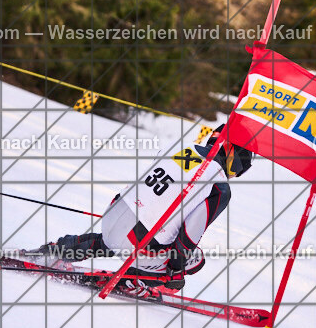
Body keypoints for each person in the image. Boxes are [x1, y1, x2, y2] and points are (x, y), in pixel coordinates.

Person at [28, 126, 253, 296]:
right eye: (237, 167)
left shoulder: (178, 145)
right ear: (229, 152)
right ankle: (134, 281)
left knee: (114, 240)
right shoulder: (219, 187)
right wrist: (175, 272)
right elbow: (188, 237)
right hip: (139, 238)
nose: (232, 174)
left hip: (115, 213)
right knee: (195, 259)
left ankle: (59, 249)